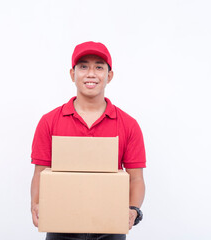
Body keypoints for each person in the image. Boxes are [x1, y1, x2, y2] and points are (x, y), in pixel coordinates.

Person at [30, 41, 146, 240]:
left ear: (109, 76)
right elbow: (41, 173)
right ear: (72, 74)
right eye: (83, 66)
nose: (91, 73)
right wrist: (36, 204)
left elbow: (135, 177)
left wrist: (133, 210)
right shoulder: (49, 121)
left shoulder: (128, 124)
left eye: (99, 67)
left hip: (110, 228)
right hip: (61, 226)